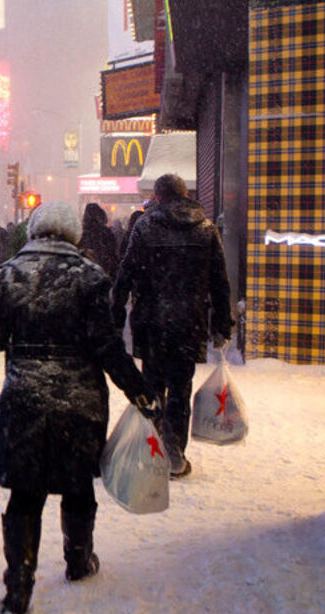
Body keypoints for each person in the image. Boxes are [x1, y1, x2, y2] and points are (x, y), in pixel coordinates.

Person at [0, 200, 160, 614]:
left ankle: (18, 587)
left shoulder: (6, 276)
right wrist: (140, 391)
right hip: (78, 402)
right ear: (73, 235)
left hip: (23, 398)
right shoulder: (90, 278)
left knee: (24, 494)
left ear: (33, 231)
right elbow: (108, 348)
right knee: (78, 486)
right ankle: (78, 560)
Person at [111, 173, 233, 479]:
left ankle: (152, 448)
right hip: (188, 322)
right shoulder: (206, 230)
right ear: (185, 194)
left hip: (152, 321)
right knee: (181, 387)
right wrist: (221, 323)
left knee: (152, 387)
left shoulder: (145, 227)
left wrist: (115, 315)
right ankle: (175, 452)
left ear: (158, 197)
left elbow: (124, 274)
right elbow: (220, 282)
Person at [78, 203, 120, 280]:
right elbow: (112, 253)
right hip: (103, 271)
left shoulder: (81, 233)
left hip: (85, 272)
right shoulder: (106, 232)